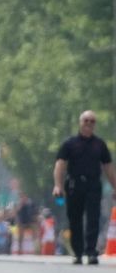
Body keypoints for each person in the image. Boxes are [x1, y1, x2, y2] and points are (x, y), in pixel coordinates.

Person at [52, 110, 116, 264]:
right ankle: (78, 252)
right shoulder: (70, 143)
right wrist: (58, 185)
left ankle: (91, 252)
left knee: (94, 218)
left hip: (93, 185)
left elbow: (108, 167)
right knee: (75, 219)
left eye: (92, 121)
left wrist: (115, 186)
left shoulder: (99, 144)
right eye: (86, 120)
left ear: (95, 124)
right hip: (74, 185)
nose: (89, 123)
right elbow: (60, 164)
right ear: (80, 122)